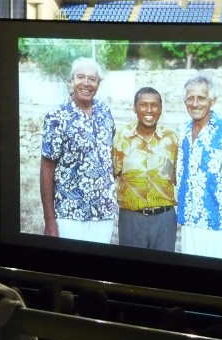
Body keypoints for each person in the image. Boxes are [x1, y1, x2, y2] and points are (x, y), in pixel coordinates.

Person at [40, 57, 117, 243]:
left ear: (99, 83)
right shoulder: (57, 117)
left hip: (102, 213)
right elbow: (47, 169)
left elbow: (108, 157)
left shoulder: (105, 112)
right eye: (80, 77)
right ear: (71, 80)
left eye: (92, 79)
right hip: (69, 214)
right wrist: (50, 221)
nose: (86, 83)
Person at [176, 75, 222, 260]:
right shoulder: (181, 132)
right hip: (189, 224)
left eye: (201, 98)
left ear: (212, 100)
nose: (195, 104)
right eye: (190, 98)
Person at [113, 87, 178, 250]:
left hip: (164, 219)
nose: (149, 110)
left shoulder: (172, 138)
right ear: (135, 108)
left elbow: (178, 175)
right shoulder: (121, 137)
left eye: (154, 105)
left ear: (161, 109)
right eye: (143, 105)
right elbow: (114, 172)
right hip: (131, 219)